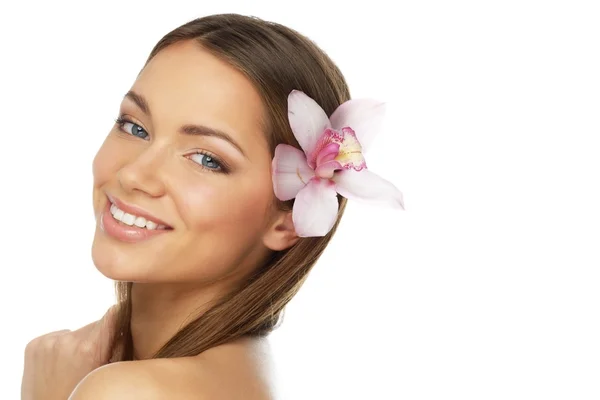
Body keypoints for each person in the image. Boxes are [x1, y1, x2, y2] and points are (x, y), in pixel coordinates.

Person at [21, 13, 404, 399]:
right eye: (135, 127)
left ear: (286, 221)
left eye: (206, 159)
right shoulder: (246, 373)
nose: (134, 175)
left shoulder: (128, 391)